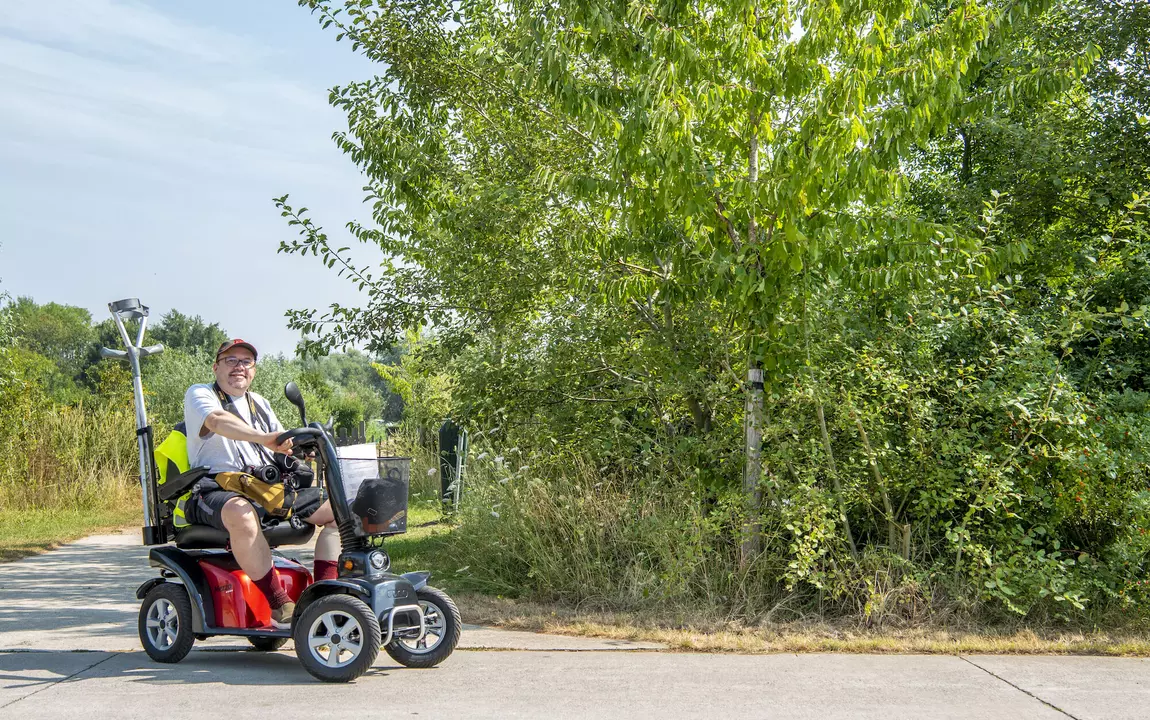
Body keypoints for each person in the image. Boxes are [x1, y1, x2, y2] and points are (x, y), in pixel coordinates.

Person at [183, 338, 340, 627]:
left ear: (253, 370)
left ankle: (325, 596)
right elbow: (218, 421)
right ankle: (280, 604)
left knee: (340, 510)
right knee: (242, 514)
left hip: (262, 488)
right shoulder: (201, 394)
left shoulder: (260, 404)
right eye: (231, 361)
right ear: (216, 366)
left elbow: (281, 444)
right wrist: (263, 438)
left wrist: (305, 446)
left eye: (246, 362)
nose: (238, 367)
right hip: (214, 489)